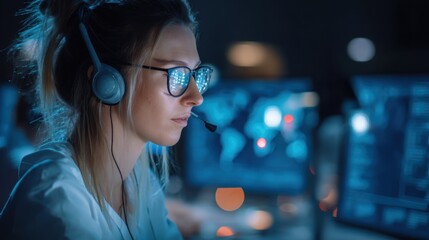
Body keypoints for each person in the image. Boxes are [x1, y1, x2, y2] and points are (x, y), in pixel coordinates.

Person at [0, 0, 213, 239]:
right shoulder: (57, 195)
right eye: (177, 75)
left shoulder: (140, 186)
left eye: (196, 75)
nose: (196, 97)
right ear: (108, 82)